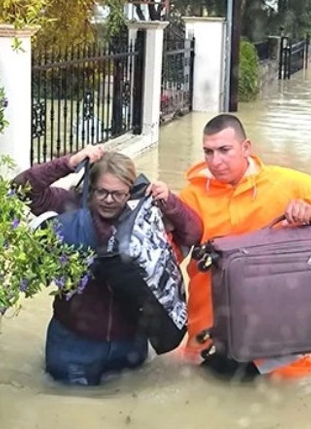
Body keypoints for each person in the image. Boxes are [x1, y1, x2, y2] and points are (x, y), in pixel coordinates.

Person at [178, 114, 311, 380]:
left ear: (246, 148)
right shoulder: (191, 196)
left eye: (224, 150)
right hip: (208, 341)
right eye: (208, 152)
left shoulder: (286, 183)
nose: (215, 161)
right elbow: (169, 253)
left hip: (277, 351)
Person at [12, 145, 202, 386]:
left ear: (130, 191)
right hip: (74, 346)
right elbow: (21, 190)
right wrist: (68, 163)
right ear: (91, 188)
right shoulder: (70, 205)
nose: (109, 200)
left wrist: (171, 202)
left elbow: (194, 234)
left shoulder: (145, 215)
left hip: (130, 344)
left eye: (118, 194)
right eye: (102, 192)